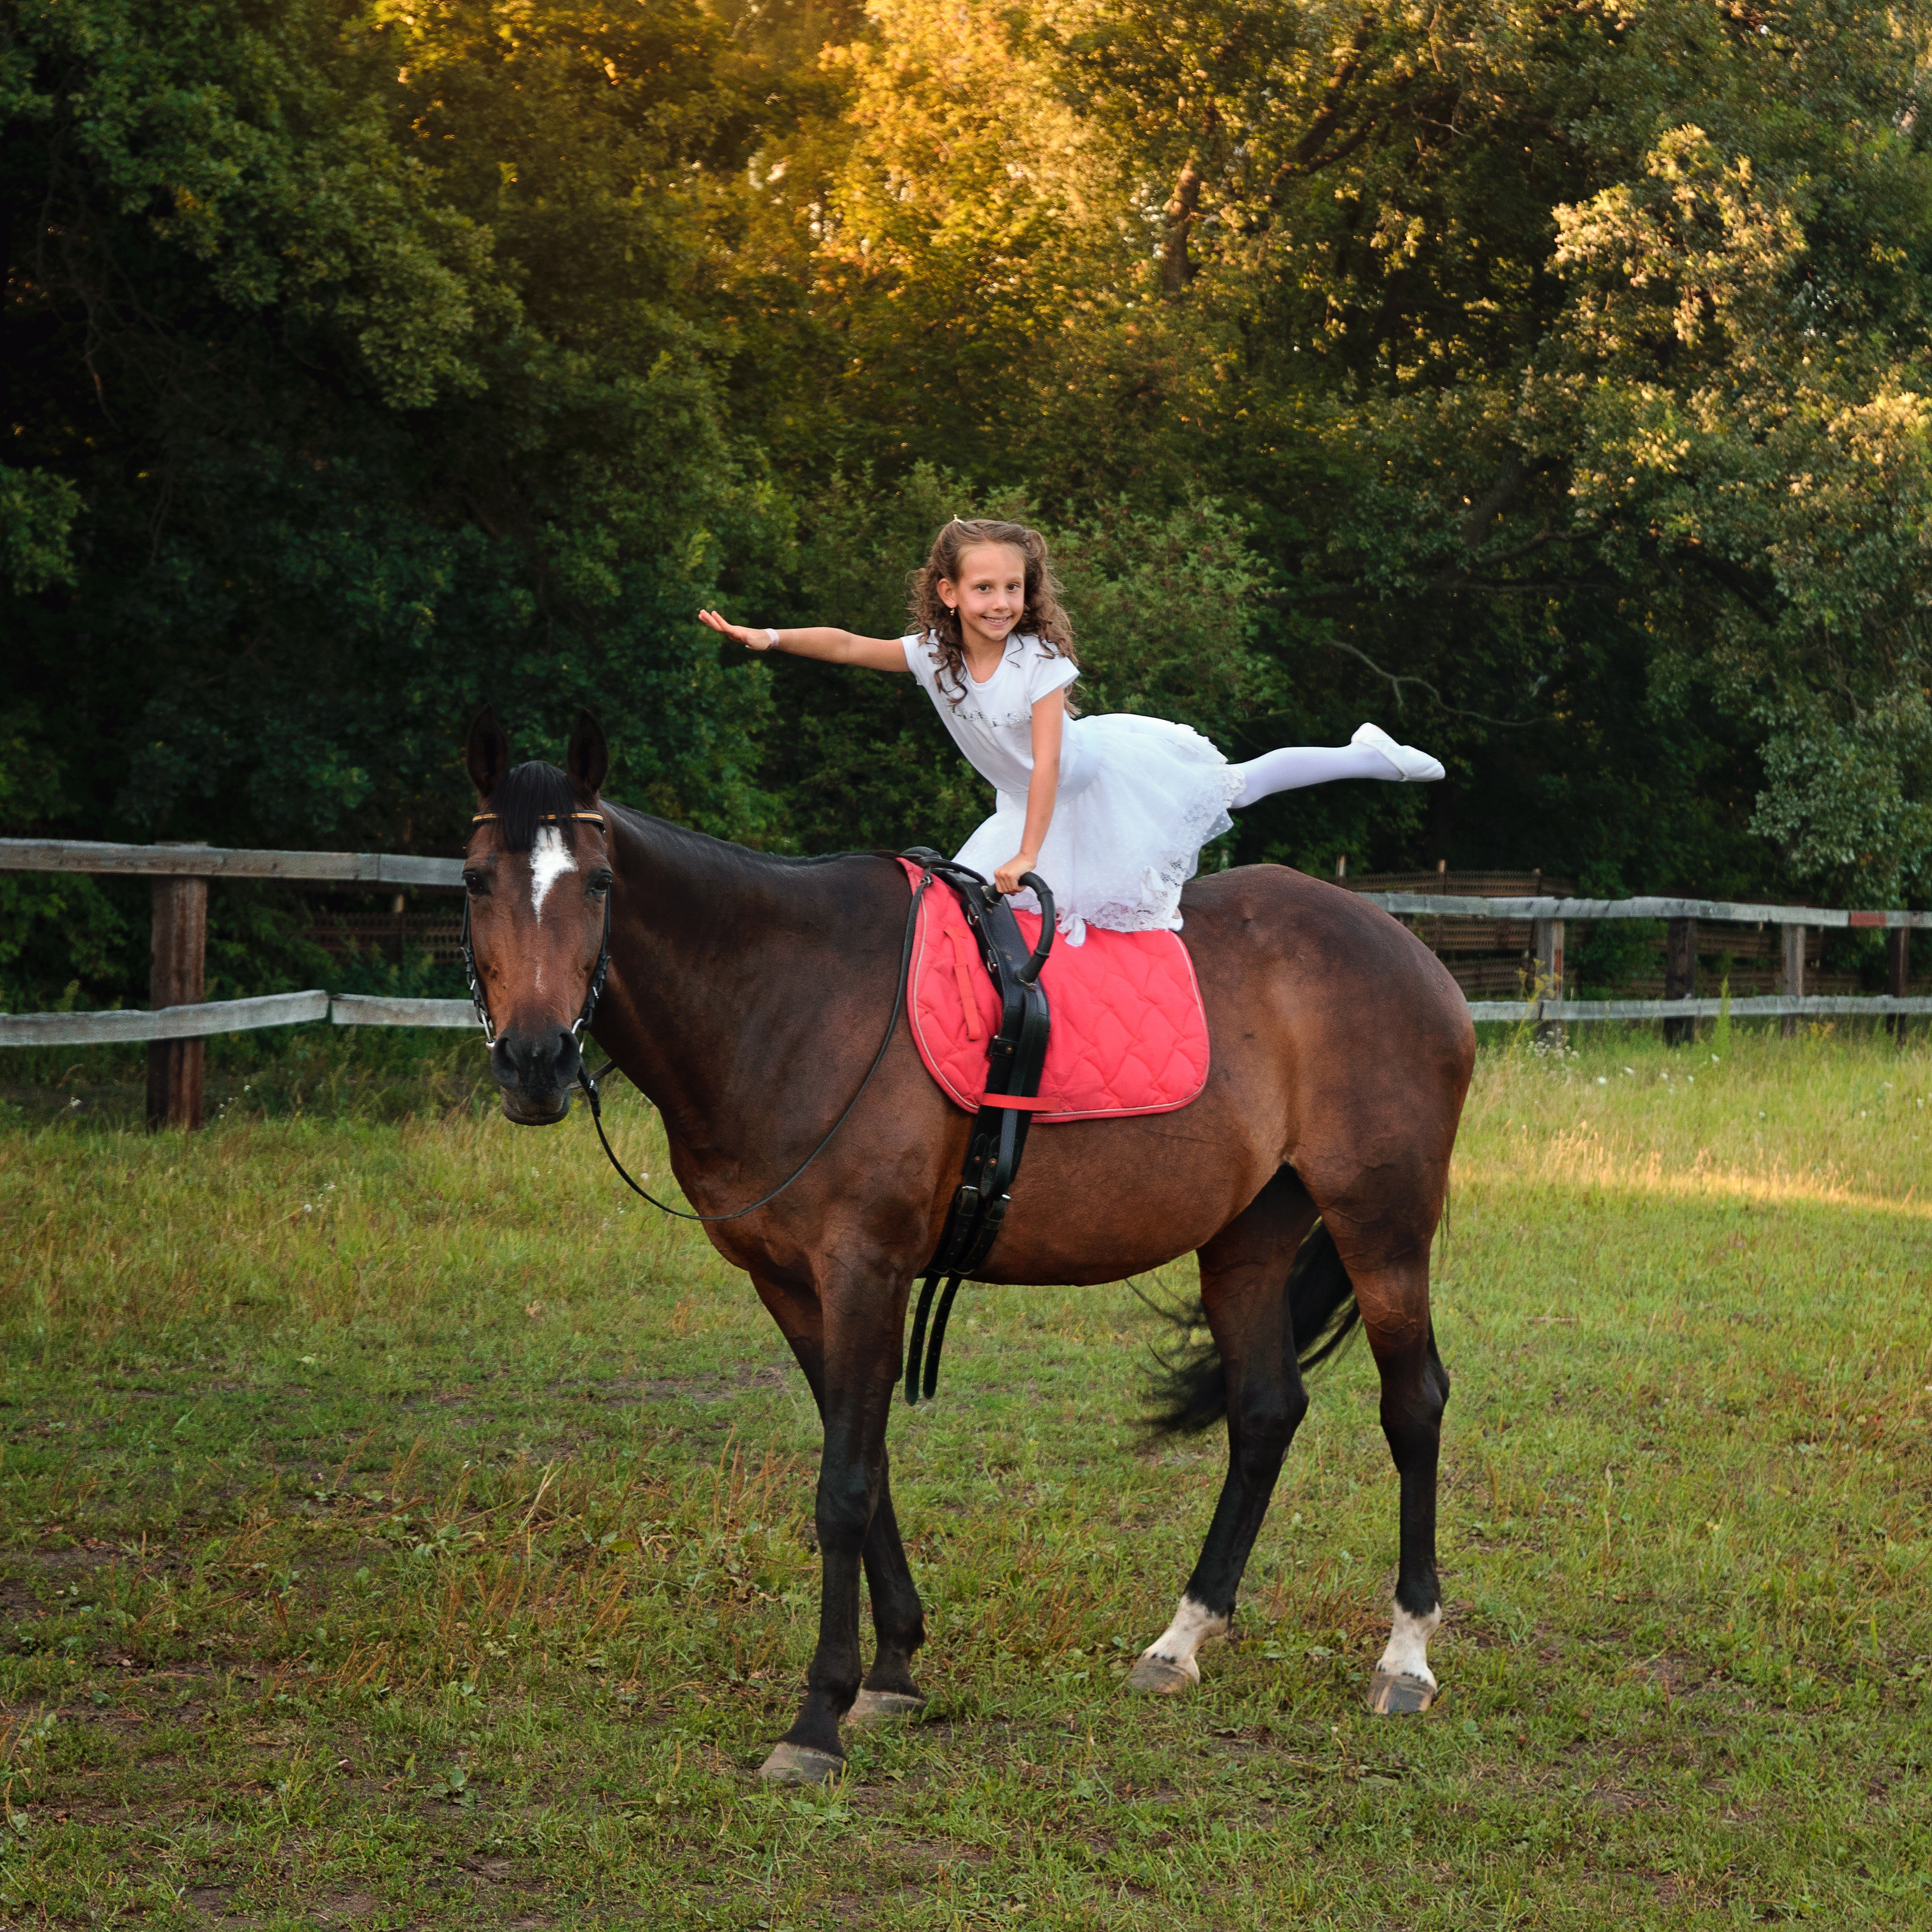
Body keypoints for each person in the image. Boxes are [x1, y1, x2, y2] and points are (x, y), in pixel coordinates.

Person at [697, 517, 1443, 943]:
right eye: (983, 588)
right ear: (947, 593)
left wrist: (1027, 853)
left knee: (1237, 784)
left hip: (1091, 785)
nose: (999, 602)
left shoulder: (1040, 664)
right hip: (1022, 805)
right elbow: (848, 645)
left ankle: (1364, 753)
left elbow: (1049, 766)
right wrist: (766, 637)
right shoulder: (932, 654)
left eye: (1012, 588)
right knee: (956, 919)